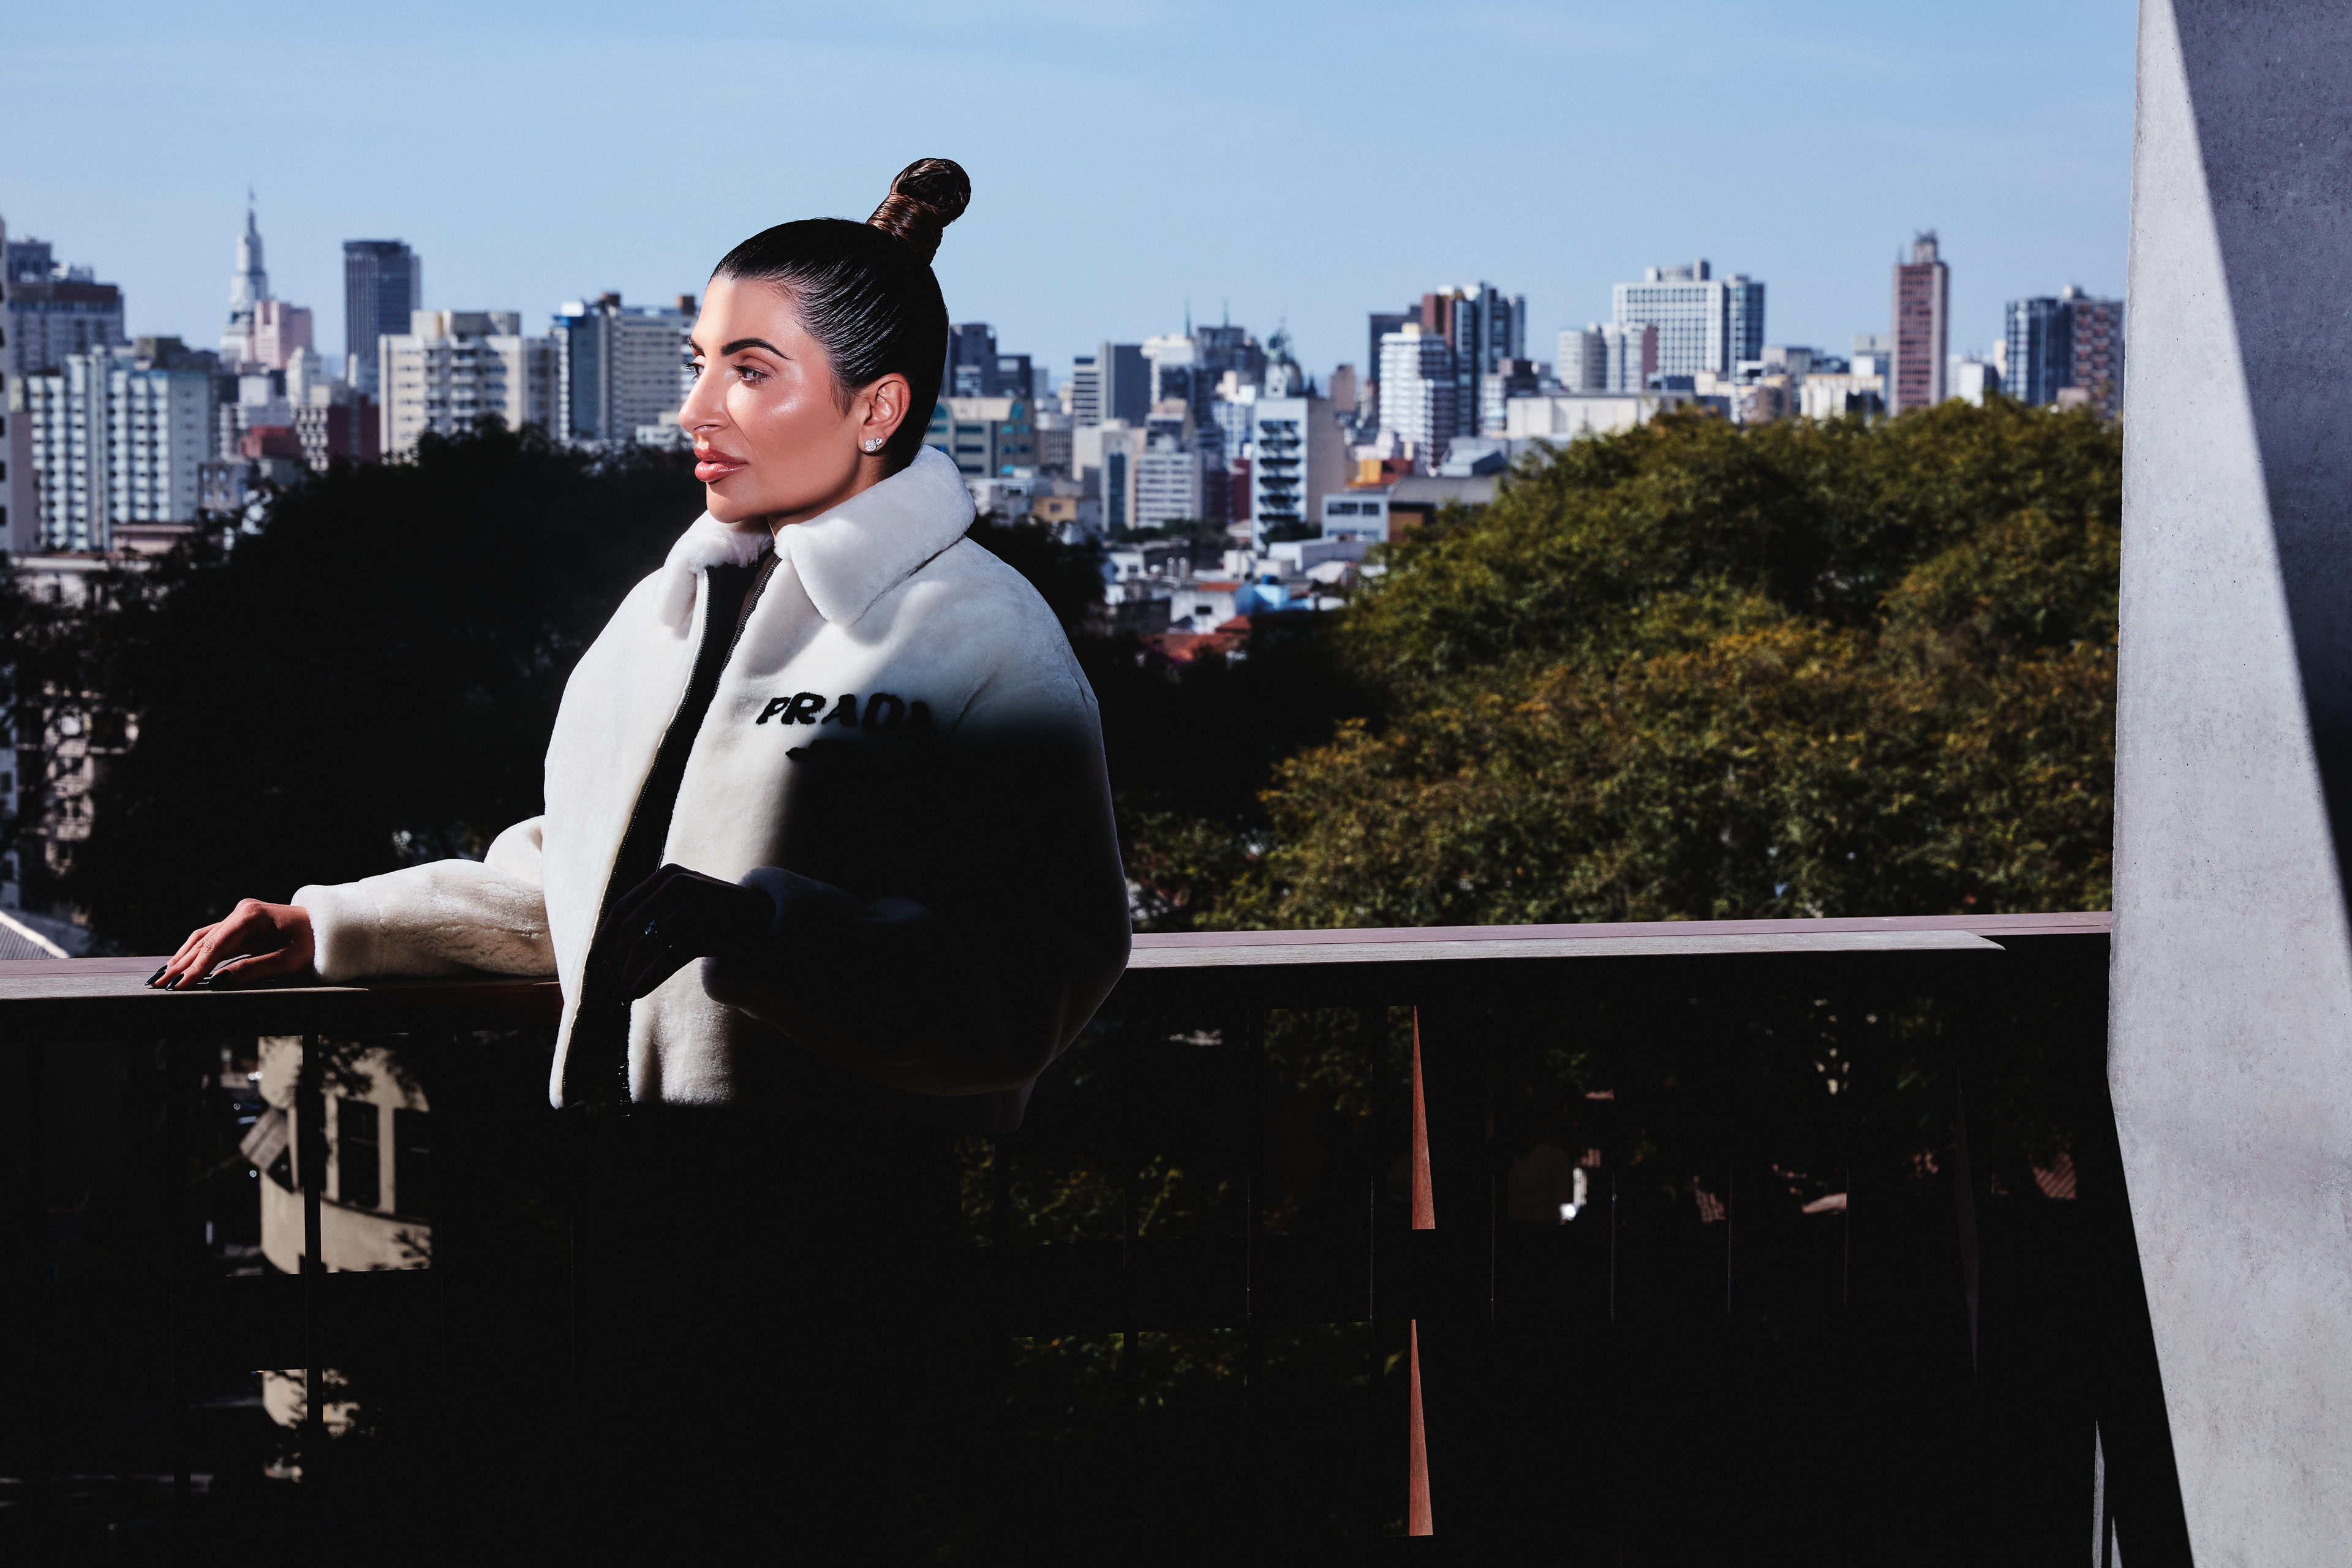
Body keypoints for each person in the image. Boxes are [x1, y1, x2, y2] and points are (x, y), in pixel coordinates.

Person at [153, 158, 1131, 1555]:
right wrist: (334, 927)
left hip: (834, 1211)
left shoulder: (984, 635)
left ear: (877, 408)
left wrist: (770, 933)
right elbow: (588, 882)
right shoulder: (662, 612)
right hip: (630, 1187)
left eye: (750, 371)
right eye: (698, 365)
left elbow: (1044, 967)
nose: (695, 411)